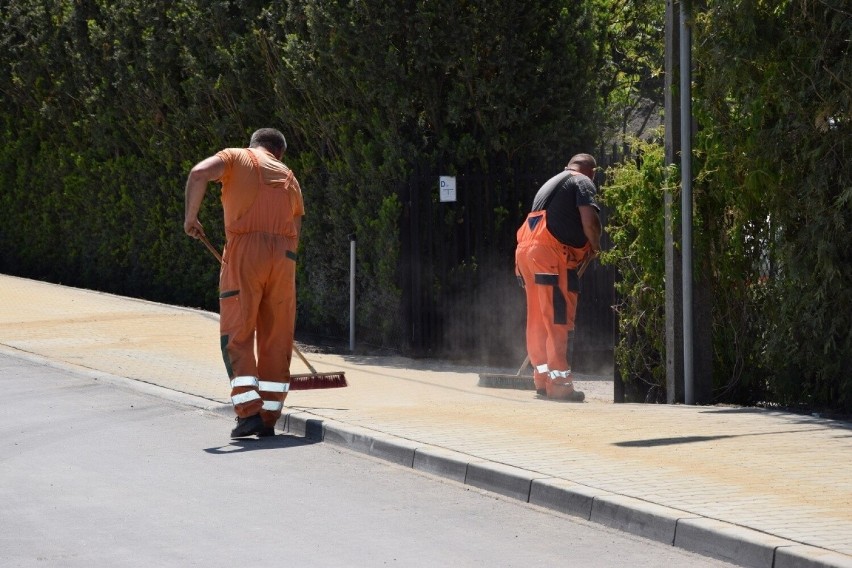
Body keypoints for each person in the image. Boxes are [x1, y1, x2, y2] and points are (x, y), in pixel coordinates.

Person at [184, 128, 304, 437]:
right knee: (276, 336)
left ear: (255, 146)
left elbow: (198, 174)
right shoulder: (290, 177)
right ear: (278, 153)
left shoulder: (237, 157)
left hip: (245, 252)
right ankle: (267, 418)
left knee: (237, 331)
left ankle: (248, 412)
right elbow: (296, 226)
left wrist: (191, 218)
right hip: (285, 258)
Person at [515, 153, 602, 401]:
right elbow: (590, 222)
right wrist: (595, 246)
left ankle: (542, 380)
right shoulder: (582, 181)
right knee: (558, 319)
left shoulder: (549, 184)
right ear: (591, 171)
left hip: (527, 254)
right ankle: (561, 385)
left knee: (539, 319)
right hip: (551, 257)